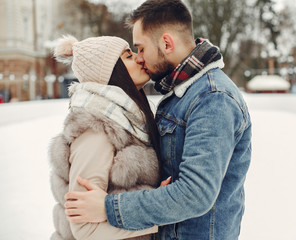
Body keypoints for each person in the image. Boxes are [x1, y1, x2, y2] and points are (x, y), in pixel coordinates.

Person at [64, 0, 252, 239]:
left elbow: (195, 194)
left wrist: (108, 207)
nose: (140, 58)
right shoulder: (178, 93)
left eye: (140, 48)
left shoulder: (212, 98)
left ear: (166, 43)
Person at [49, 35, 162, 240]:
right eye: (128, 56)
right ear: (109, 71)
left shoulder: (126, 120)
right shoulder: (96, 130)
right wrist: (161, 216)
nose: (139, 58)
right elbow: (84, 229)